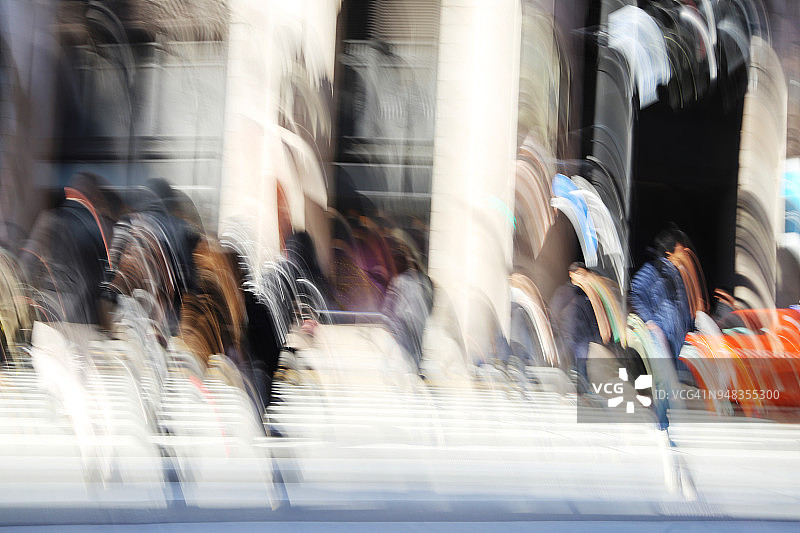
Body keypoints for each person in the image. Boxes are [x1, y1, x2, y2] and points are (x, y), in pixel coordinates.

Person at [550, 262, 603, 392]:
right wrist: (557, 335)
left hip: (583, 339)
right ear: (571, 274)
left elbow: (594, 317)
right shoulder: (563, 292)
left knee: (582, 368)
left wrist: (596, 337)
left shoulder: (588, 295)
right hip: (567, 337)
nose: (583, 278)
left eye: (584, 275)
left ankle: (582, 395)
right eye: (579, 274)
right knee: (566, 368)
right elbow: (554, 313)